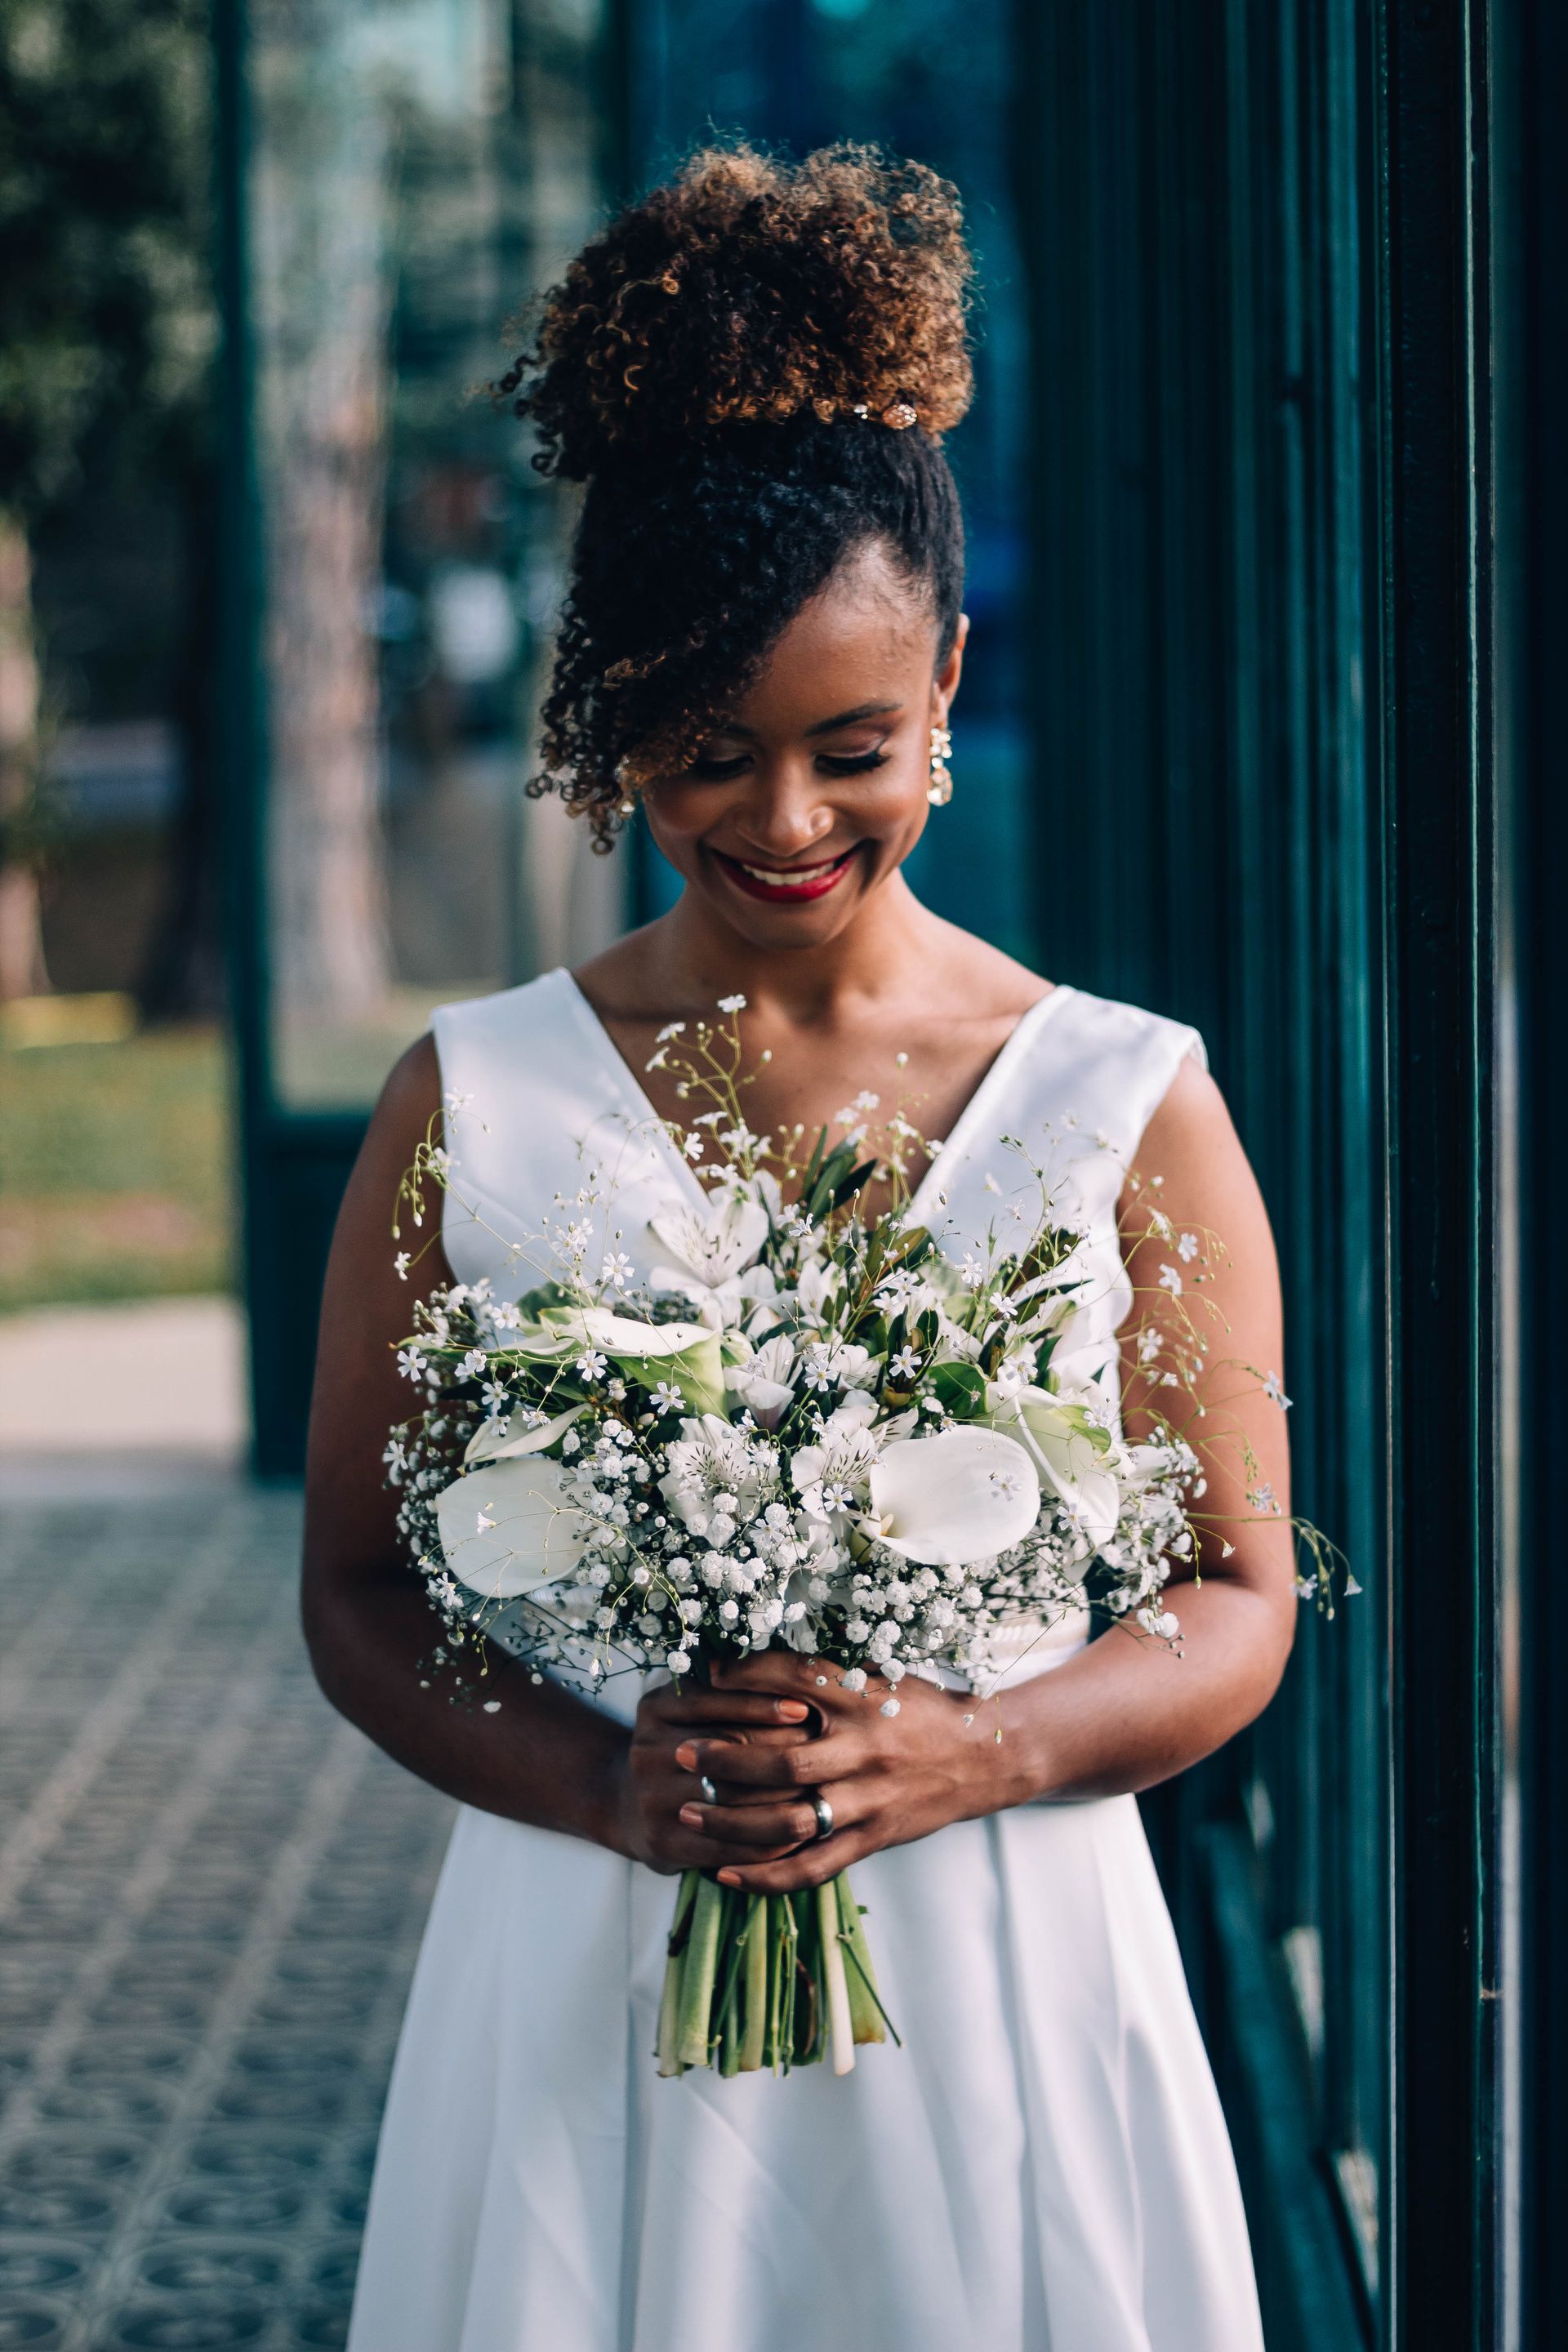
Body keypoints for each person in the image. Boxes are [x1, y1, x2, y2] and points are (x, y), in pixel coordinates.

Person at [305, 144, 1290, 2352]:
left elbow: (1240, 1596)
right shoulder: (470, 1103)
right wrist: (603, 1784)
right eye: (700, 750)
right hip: (583, 1975)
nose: (779, 820)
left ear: (948, 678)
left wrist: (981, 1750)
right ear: (612, 716)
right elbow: (358, 1593)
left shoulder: (1130, 1101)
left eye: (850, 748)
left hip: (1012, 1969)